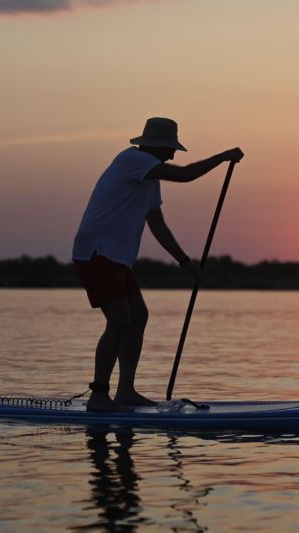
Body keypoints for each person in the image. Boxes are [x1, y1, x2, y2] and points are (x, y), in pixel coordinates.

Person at [72, 117, 244, 412]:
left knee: (137, 316)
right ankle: (99, 396)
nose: (174, 154)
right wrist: (223, 157)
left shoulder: (148, 179)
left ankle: (125, 392)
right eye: (170, 149)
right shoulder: (131, 159)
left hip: (118, 258)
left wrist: (184, 262)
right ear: (157, 146)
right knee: (120, 320)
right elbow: (186, 175)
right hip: (97, 251)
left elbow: (158, 225)